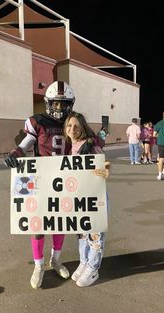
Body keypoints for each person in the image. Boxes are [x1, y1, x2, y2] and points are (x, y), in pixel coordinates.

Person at [4, 81, 75, 289]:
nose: (60, 109)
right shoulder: (37, 121)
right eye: (56, 104)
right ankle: (38, 264)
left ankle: (56, 259)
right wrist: (16, 153)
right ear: (48, 103)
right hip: (40, 177)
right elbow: (27, 142)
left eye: (64, 104)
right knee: (38, 224)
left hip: (64, 177)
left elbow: (84, 141)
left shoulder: (73, 120)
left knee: (59, 222)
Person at [63, 111, 109, 287]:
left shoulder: (89, 144)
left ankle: (93, 267)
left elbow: (104, 164)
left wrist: (104, 171)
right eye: (69, 125)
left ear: (82, 127)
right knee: (82, 233)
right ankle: (84, 261)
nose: (72, 129)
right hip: (79, 197)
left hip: (95, 196)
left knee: (95, 234)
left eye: (76, 125)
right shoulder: (70, 147)